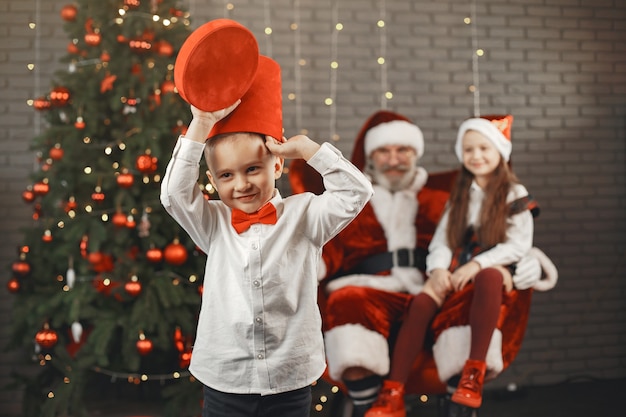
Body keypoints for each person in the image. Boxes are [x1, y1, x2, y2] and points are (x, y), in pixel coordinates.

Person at [161, 51, 374, 416]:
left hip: (289, 380)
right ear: (211, 181)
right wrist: (200, 124)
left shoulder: (306, 214)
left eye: (253, 169)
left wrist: (308, 150)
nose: (241, 184)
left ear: (277, 164)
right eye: (227, 175)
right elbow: (173, 195)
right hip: (225, 379)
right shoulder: (211, 223)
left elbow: (357, 192)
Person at [365, 115, 536, 417]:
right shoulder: (459, 195)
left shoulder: (515, 194)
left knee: (488, 277)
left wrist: (478, 264)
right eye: (469, 150)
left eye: (484, 148)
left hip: (493, 269)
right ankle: (393, 391)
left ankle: (474, 372)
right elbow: (442, 241)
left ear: (500, 151)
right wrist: (439, 269)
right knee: (421, 301)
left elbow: (518, 245)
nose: (477, 156)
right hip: (457, 268)